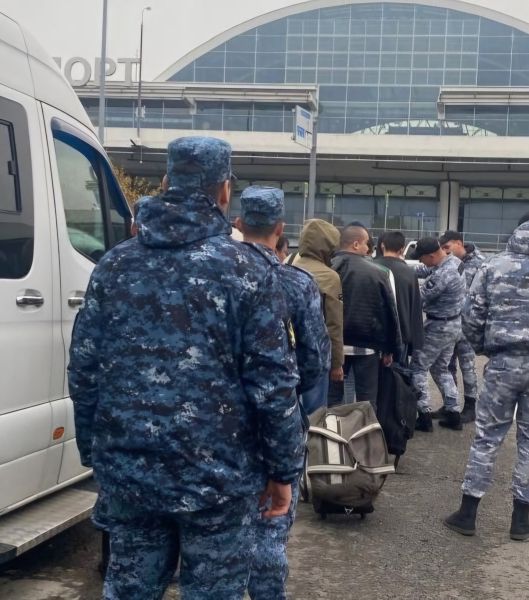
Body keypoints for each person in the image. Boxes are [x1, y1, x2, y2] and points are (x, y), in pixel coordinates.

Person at [68, 136, 305, 600]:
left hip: (130, 469)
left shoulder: (113, 266)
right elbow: (273, 384)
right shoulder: (247, 271)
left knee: (129, 589)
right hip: (219, 477)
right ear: (225, 191)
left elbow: (84, 369)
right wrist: (283, 470)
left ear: (164, 181)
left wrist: (94, 452)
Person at [236, 185, 329, 599]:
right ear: (280, 228)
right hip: (274, 422)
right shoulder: (295, 282)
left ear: (238, 223)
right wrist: (290, 392)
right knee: (270, 526)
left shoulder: (219, 274)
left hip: (216, 424)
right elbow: (315, 358)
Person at [444, 221, 529, 541]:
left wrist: (484, 348)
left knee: (487, 438)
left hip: (503, 363)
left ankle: (467, 514)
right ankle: (521, 521)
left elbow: (471, 316)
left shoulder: (492, 267)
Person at [332, 224, 401, 408]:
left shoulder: (328, 268)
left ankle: (334, 426)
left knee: (333, 400)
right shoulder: (378, 272)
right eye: (366, 244)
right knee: (367, 402)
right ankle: (366, 427)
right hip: (368, 347)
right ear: (356, 244)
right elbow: (389, 314)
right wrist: (391, 348)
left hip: (334, 348)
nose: (368, 249)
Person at [410, 237, 466, 432]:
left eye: (422, 258)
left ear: (432, 255)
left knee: (418, 367)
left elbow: (419, 297)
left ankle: (423, 415)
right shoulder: (453, 262)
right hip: (453, 324)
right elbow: (427, 270)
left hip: (439, 327)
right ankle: (453, 412)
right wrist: (402, 267)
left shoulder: (443, 274)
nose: (420, 261)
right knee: (441, 369)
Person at [294, 219, 344, 403]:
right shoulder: (329, 277)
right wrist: (337, 363)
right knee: (314, 412)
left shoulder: (288, 262)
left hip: (287, 353)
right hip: (315, 355)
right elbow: (334, 324)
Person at [439, 230, 485, 422]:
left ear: (459, 243)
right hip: (449, 322)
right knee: (447, 364)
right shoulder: (447, 262)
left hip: (467, 325)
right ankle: (450, 405)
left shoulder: (481, 263)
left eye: (447, 247)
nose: (445, 252)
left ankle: (470, 406)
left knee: (467, 366)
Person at [375, 231, 424, 365]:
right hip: (402, 334)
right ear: (402, 249)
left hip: (374, 334)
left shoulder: (371, 267)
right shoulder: (408, 272)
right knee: (397, 373)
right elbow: (415, 308)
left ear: (382, 246)